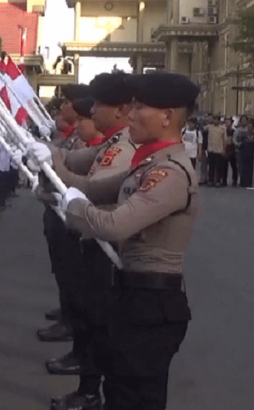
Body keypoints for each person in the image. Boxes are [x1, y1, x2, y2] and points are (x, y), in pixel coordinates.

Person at [59, 72, 199, 410]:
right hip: (131, 297)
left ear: (167, 116)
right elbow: (91, 188)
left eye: (140, 108)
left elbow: (113, 224)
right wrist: (49, 168)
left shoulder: (170, 174)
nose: (131, 115)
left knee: (136, 398)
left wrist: (73, 205)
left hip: (151, 302)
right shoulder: (149, 164)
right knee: (120, 389)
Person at [32, 73, 137, 410]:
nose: (92, 113)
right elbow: (72, 166)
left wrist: (54, 164)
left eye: (99, 106)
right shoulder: (112, 142)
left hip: (106, 244)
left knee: (101, 324)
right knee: (90, 317)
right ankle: (89, 387)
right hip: (93, 238)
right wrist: (49, 156)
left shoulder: (123, 145)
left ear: (120, 110)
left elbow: (87, 187)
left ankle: (92, 391)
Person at [39, 84, 91, 343]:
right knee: (62, 268)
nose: (62, 108)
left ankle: (72, 320)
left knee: (72, 271)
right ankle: (67, 311)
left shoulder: (82, 140)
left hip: (71, 213)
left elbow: (76, 176)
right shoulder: (71, 137)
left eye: (67, 103)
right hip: (60, 210)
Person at [206, 115, 225, 187]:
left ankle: (218, 181)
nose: (215, 121)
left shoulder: (222, 128)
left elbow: (224, 139)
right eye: (214, 119)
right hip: (211, 149)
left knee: (218, 167)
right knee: (211, 166)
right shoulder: (209, 127)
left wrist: (224, 148)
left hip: (219, 150)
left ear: (219, 120)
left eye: (217, 119)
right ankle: (210, 180)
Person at [238, 119, 254, 188]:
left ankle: (249, 182)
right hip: (243, 153)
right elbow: (239, 142)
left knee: (250, 169)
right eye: (248, 126)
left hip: (251, 154)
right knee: (243, 168)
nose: (249, 127)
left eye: (251, 126)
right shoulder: (243, 134)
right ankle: (243, 182)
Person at [222, 118, 238, 186]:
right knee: (224, 166)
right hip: (225, 149)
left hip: (232, 150)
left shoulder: (234, 131)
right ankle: (224, 180)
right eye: (226, 122)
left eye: (228, 122)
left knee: (233, 166)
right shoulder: (223, 131)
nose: (227, 123)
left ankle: (235, 180)